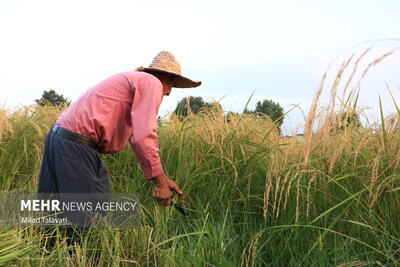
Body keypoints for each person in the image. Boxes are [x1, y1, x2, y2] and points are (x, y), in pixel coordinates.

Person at [38, 51, 201, 208]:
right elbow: (143, 136)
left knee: (54, 208)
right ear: (167, 77)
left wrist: (162, 179)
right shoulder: (152, 83)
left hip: (59, 138)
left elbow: (136, 131)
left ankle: (45, 237)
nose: (169, 92)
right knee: (88, 211)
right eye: (172, 84)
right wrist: (160, 184)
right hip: (76, 144)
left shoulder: (134, 80)